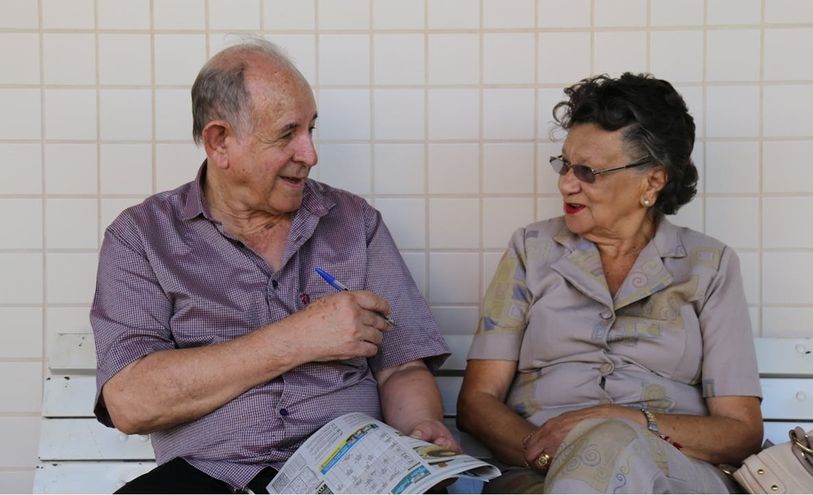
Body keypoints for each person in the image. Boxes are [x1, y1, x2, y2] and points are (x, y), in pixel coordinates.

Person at [90, 38, 457, 494]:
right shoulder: (142, 236)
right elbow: (130, 403)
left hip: (349, 473)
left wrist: (421, 427)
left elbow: (400, 367)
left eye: (311, 129)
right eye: (287, 134)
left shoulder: (354, 222)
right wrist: (299, 338)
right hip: (211, 475)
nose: (310, 154)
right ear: (220, 142)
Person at [457, 73, 763, 493]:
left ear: (652, 181)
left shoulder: (709, 265)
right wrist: (557, 455)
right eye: (565, 165)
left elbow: (740, 430)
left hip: (671, 474)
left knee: (609, 441)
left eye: (588, 171)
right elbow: (477, 402)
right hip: (537, 471)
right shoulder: (532, 249)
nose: (566, 183)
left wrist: (622, 422)